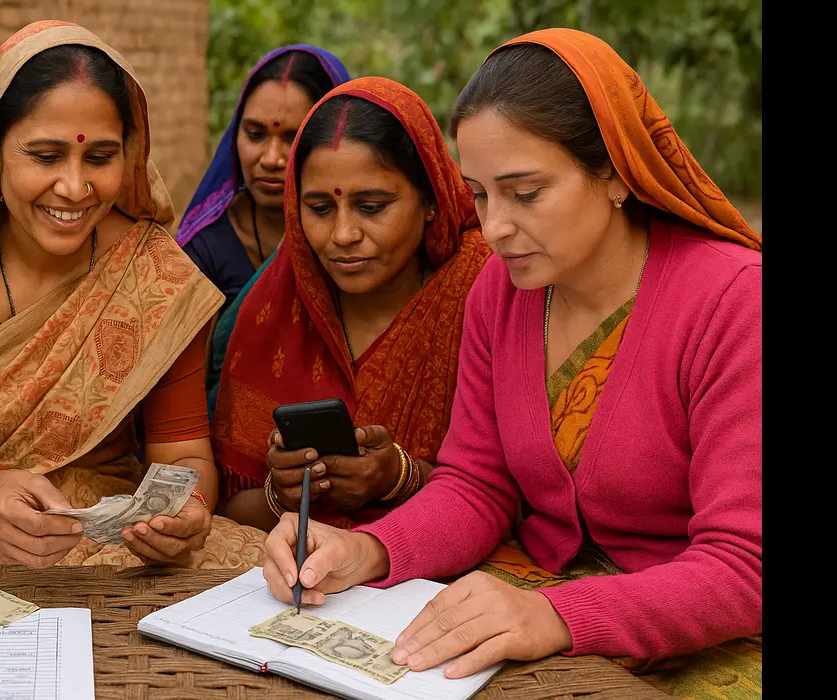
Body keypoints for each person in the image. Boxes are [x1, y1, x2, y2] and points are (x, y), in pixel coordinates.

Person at [260, 29, 761, 698]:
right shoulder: (501, 292)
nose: (494, 227)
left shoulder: (732, 301)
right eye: (481, 194)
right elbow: (478, 484)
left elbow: (743, 566)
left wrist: (554, 614)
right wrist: (369, 551)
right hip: (533, 587)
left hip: (697, 622)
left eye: (525, 194)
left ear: (614, 172)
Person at [0, 21, 266, 573]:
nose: (74, 187)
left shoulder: (154, 277)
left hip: (108, 536)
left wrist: (184, 514)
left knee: (249, 569)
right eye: (45, 156)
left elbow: (182, 457)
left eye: (100, 157)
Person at [212, 77, 492, 533]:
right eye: (320, 208)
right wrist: (282, 493)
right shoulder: (281, 296)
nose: (343, 235)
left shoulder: (483, 286)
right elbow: (229, 510)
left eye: (372, 206)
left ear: (431, 201)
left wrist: (400, 476)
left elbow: (522, 499)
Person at [173, 46, 351, 410]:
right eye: (255, 135)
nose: (270, 159)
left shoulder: (353, 240)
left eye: (292, 137)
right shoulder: (204, 248)